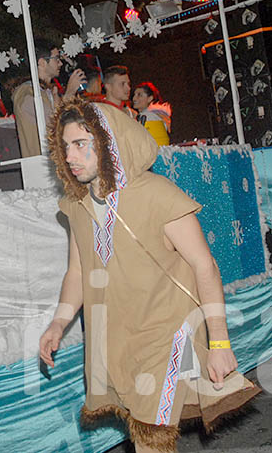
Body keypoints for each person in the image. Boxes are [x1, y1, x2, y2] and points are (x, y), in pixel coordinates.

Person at [39, 98, 258, 452]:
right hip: (117, 341)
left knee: (150, 438)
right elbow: (78, 273)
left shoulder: (157, 194)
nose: (69, 156)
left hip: (167, 334)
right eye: (65, 147)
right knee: (143, 434)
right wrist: (57, 324)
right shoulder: (77, 206)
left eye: (80, 144)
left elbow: (205, 265)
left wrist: (219, 342)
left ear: (109, 143)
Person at [10, 42, 85, 157]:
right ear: (42, 62)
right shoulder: (26, 92)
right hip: (40, 162)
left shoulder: (46, 91)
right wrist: (68, 93)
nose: (60, 63)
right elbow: (52, 122)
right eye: (56, 59)